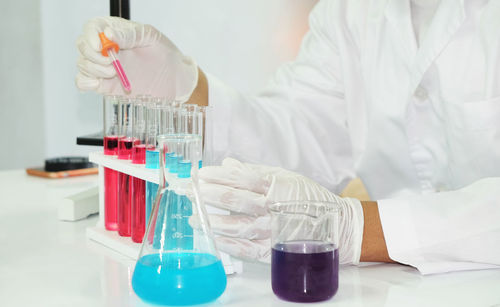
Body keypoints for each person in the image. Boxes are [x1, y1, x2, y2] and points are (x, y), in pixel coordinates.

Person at [76, 0, 500, 275]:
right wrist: (185, 88)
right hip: (393, 287)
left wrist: (357, 227)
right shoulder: (351, 11)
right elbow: (301, 136)